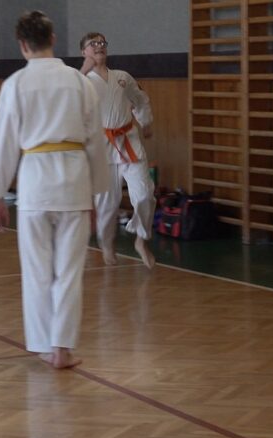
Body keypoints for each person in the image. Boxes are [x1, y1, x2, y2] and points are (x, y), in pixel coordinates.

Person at [0, 11, 108, 370]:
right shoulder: (79, 82)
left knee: (37, 270)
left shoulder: (15, 84)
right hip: (75, 182)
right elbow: (96, 143)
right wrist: (96, 197)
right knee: (69, 272)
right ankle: (62, 348)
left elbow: (2, 143)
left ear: (22, 44)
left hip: (35, 184)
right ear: (52, 39)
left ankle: (43, 345)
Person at [79, 32, 156, 268]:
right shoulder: (81, 80)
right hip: (101, 147)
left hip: (128, 141)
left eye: (102, 43)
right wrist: (83, 70)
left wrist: (145, 122)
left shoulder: (122, 77)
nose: (99, 46)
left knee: (145, 193)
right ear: (84, 52)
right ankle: (107, 243)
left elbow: (140, 99)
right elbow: (68, 99)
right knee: (107, 203)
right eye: (93, 44)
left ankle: (141, 239)